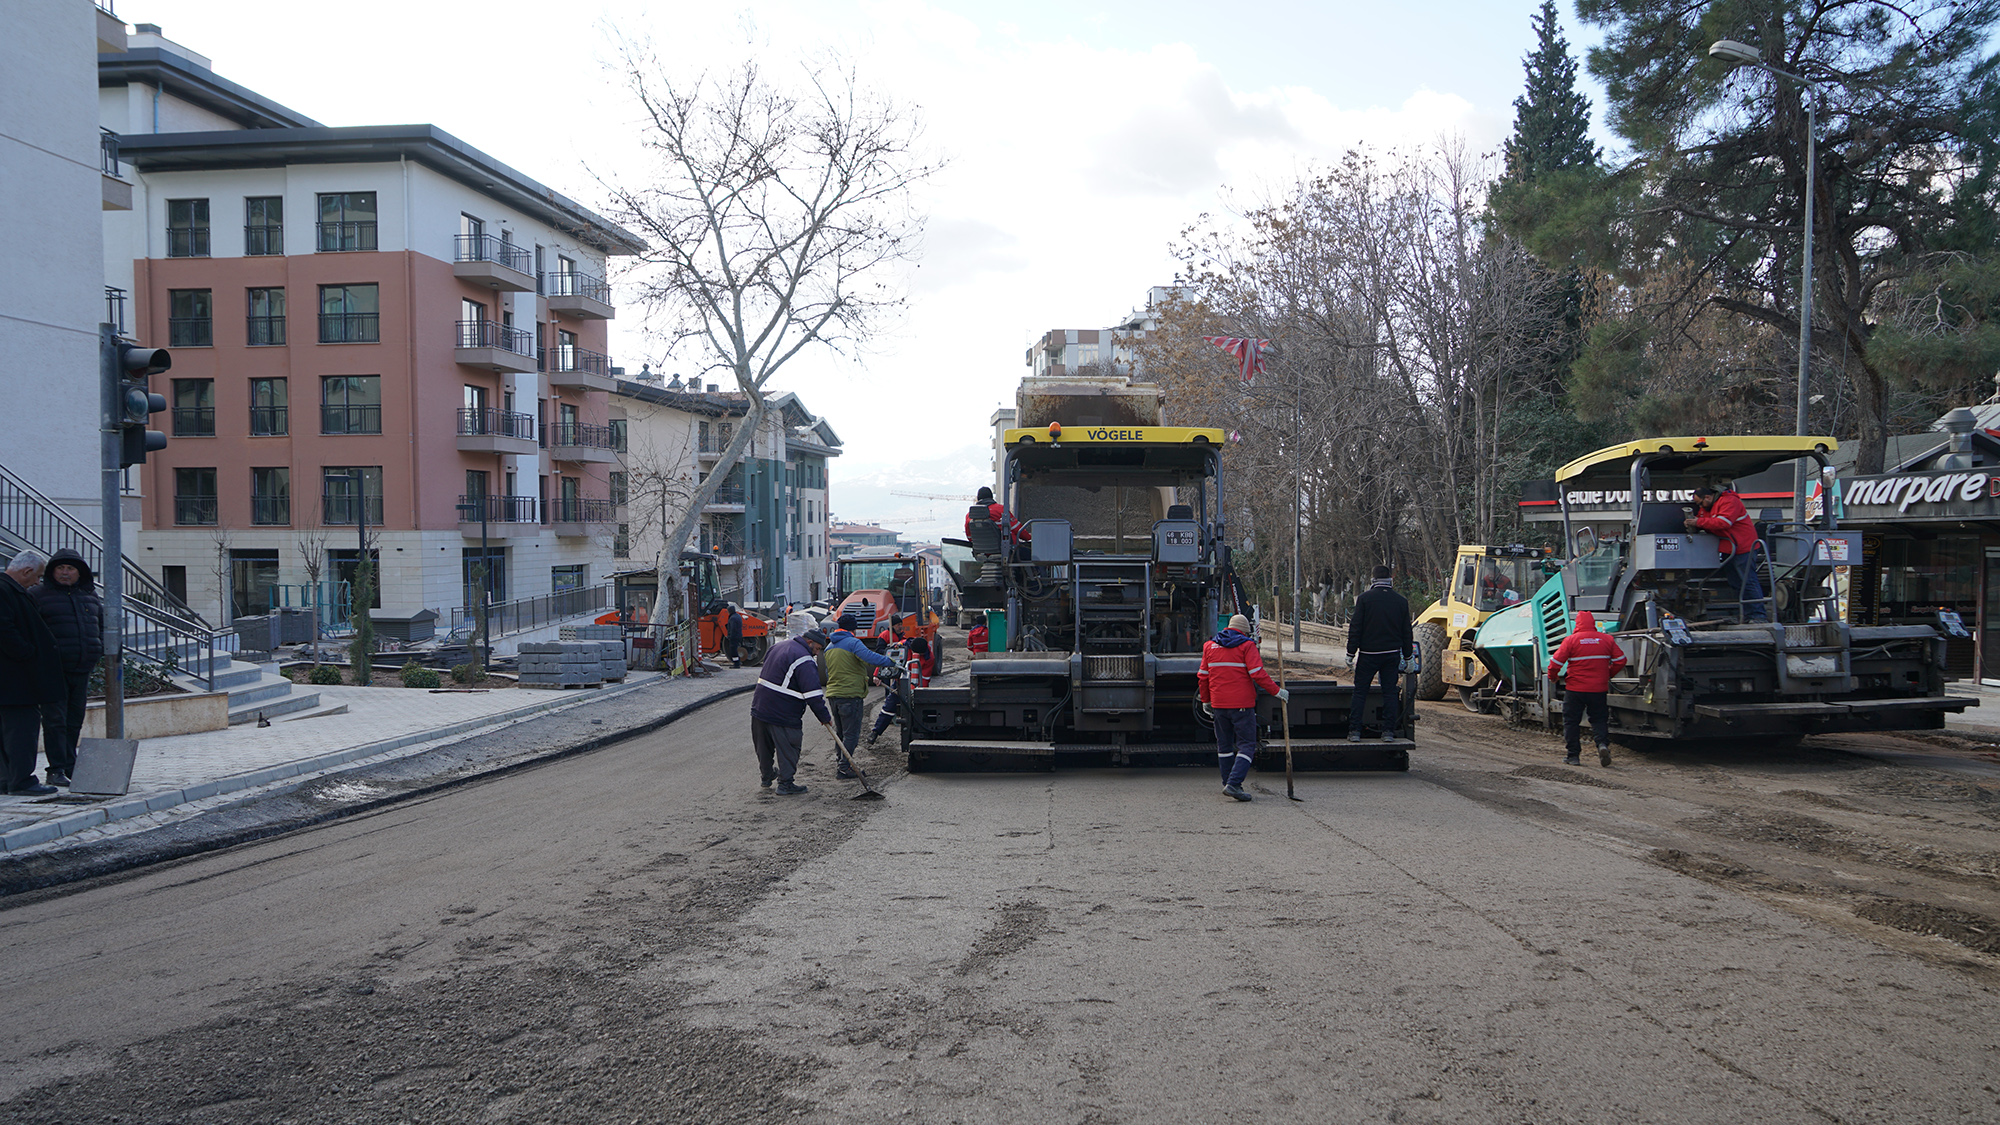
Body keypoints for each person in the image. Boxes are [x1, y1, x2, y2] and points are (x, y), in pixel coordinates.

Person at [31, 548, 102, 789]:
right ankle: (56, 769)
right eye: (60, 568)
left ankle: (70, 765)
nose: (65, 572)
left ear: (79, 572)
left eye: (70, 568)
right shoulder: (37, 595)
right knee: (55, 721)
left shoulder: (90, 597)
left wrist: (99, 650)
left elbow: (99, 627)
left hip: (81, 668)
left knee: (74, 720)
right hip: (52, 670)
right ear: (51, 571)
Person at [1199, 613, 1286, 801]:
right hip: (1241, 705)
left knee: (1224, 745)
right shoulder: (1247, 646)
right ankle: (1234, 784)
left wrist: (1206, 701)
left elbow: (1203, 677)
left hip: (1219, 704)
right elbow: (1258, 674)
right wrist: (1277, 691)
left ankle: (1227, 782)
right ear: (1245, 632)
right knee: (1247, 745)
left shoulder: (1209, 646)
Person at [0, 551, 60, 797]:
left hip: (11, 679)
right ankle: (22, 780)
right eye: (36, 576)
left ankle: (7, 779)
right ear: (26, 572)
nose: (37, 582)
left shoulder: (7, 590)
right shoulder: (5, 591)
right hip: (15, 679)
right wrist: (28, 652)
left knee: (9, 732)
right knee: (22, 731)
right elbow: (5, 629)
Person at [751, 625, 834, 795]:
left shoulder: (778, 647)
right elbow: (813, 694)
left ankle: (766, 777)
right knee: (790, 746)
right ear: (809, 642)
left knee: (763, 746)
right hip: (784, 712)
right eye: (817, 649)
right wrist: (824, 717)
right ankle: (785, 784)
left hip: (760, 707)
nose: (817, 653)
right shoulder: (804, 659)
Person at [820, 612, 899, 779]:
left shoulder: (829, 647)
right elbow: (870, 658)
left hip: (834, 695)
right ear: (853, 628)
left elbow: (828, 672)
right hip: (850, 695)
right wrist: (892, 661)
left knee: (841, 733)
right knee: (851, 734)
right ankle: (844, 768)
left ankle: (840, 761)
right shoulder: (853, 643)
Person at [1546, 610, 1627, 767]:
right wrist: (1608, 674)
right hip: (1598, 689)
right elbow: (1621, 660)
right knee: (1599, 719)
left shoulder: (1571, 640)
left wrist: (1553, 677)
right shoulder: (1606, 639)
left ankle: (1573, 756)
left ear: (1577, 624)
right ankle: (1602, 745)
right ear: (1593, 623)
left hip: (1575, 689)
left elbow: (1554, 664)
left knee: (1571, 721)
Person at [1346, 565, 1413, 744]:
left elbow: (1356, 628)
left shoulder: (1365, 599)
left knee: (1360, 692)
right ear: (1390, 579)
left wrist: (1350, 652)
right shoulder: (1400, 601)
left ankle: (1354, 731)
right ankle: (1388, 732)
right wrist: (1408, 657)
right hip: (1391, 655)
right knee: (1390, 693)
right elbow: (1407, 632)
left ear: (1373, 580)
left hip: (1368, 654)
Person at [1687, 484, 1767, 622]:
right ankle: (1747, 615)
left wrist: (1698, 522)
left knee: (1747, 581)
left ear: (1708, 497)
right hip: (1730, 548)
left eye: (1700, 503)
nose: (1700, 507)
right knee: (1735, 582)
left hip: (1744, 547)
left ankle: (1758, 616)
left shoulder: (1730, 501)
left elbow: (1723, 522)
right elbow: (1706, 521)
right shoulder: (1708, 507)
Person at [868, 618, 937, 746]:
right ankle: (876, 732)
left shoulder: (929, 658)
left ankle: (923, 732)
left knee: (919, 710)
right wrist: (877, 674)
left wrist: (915, 691)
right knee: (889, 707)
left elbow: (925, 678)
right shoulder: (904, 646)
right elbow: (887, 659)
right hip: (901, 683)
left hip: (917, 687)